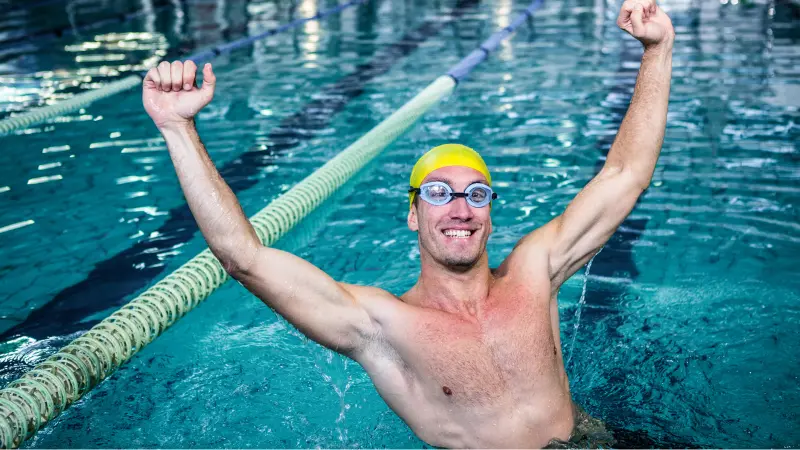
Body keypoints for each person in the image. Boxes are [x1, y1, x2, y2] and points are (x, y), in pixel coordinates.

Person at [142, 0, 674, 446]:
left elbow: (624, 175)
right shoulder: (382, 325)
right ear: (413, 213)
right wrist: (178, 128)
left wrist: (657, 49)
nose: (460, 209)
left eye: (477, 194)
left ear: (490, 213)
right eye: (439, 194)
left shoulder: (535, 273)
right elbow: (244, 257)